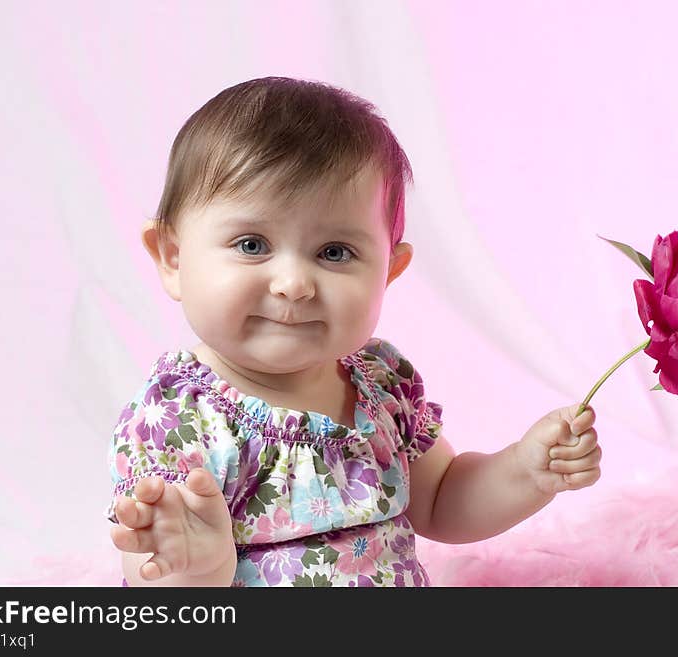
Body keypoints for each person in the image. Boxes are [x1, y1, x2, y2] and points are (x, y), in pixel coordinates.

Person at [105, 76, 602, 587]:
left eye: (335, 253)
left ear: (388, 270)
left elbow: (441, 499)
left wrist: (525, 471)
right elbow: (154, 584)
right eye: (252, 244)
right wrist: (198, 567)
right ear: (173, 256)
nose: (294, 284)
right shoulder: (176, 420)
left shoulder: (379, 383)